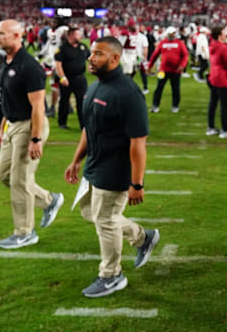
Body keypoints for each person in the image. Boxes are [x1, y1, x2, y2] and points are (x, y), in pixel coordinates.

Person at [64, 36, 160, 298]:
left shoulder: (127, 93)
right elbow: (89, 128)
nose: (91, 59)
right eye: (92, 53)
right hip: (94, 164)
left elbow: (138, 142)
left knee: (105, 220)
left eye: (98, 54)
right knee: (89, 212)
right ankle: (143, 237)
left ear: (115, 58)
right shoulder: (95, 88)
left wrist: (136, 183)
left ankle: (111, 275)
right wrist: (76, 159)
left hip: (115, 170)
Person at [0, 19, 64, 249]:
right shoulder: (6, 61)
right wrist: (4, 125)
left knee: (20, 180)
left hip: (29, 125)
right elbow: (7, 96)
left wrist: (35, 139)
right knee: (4, 175)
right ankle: (48, 200)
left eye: (3, 33)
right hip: (12, 124)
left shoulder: (30, 66)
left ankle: (25, 232)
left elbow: (38, 107)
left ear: (17, 36)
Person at [54, 26, 89, 130]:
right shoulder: (62, 49)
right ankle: (62, 123)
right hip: (67, 79)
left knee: (82, 102)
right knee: (64, 101)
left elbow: (90, 59)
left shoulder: (83, 47)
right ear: (70, 36)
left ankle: (84, 124)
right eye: (77, 34)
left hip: (80, 78)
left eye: (79, 34)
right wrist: (62, 77)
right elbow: (58, 65)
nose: (79, 36)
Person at [148, 26, 189, 113]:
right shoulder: (162, 43)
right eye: (170, 34)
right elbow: (155, 55)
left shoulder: (180, 43)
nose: (172, 35)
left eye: (173, 34)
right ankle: (155, 106)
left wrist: (182, 65)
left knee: (175, 89)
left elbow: (185, 55)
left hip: (176, 70)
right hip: (163, 70)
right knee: (159, 88)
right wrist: (150, 66)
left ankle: (175, 105)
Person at [206, 26, 227, 139]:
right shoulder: (222, 47)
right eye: (223, 33)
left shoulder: (212, 45)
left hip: (213, 76)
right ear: (219, 35)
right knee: (224, 105)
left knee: (213, 104)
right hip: (222, 78)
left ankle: (211, 127)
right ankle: (224, 130)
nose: (225, 34)